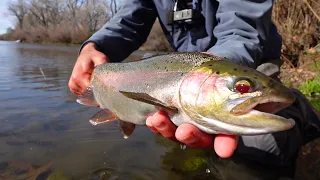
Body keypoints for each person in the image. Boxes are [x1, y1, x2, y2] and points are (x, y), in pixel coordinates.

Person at [68, 0, 320, 170]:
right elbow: (131, 16)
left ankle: (301, 112)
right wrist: (96, 46)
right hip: (185, 75)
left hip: (248, 63)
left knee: (261, 153)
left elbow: (242, 29)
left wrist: (228, 78)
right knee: (180, 147)